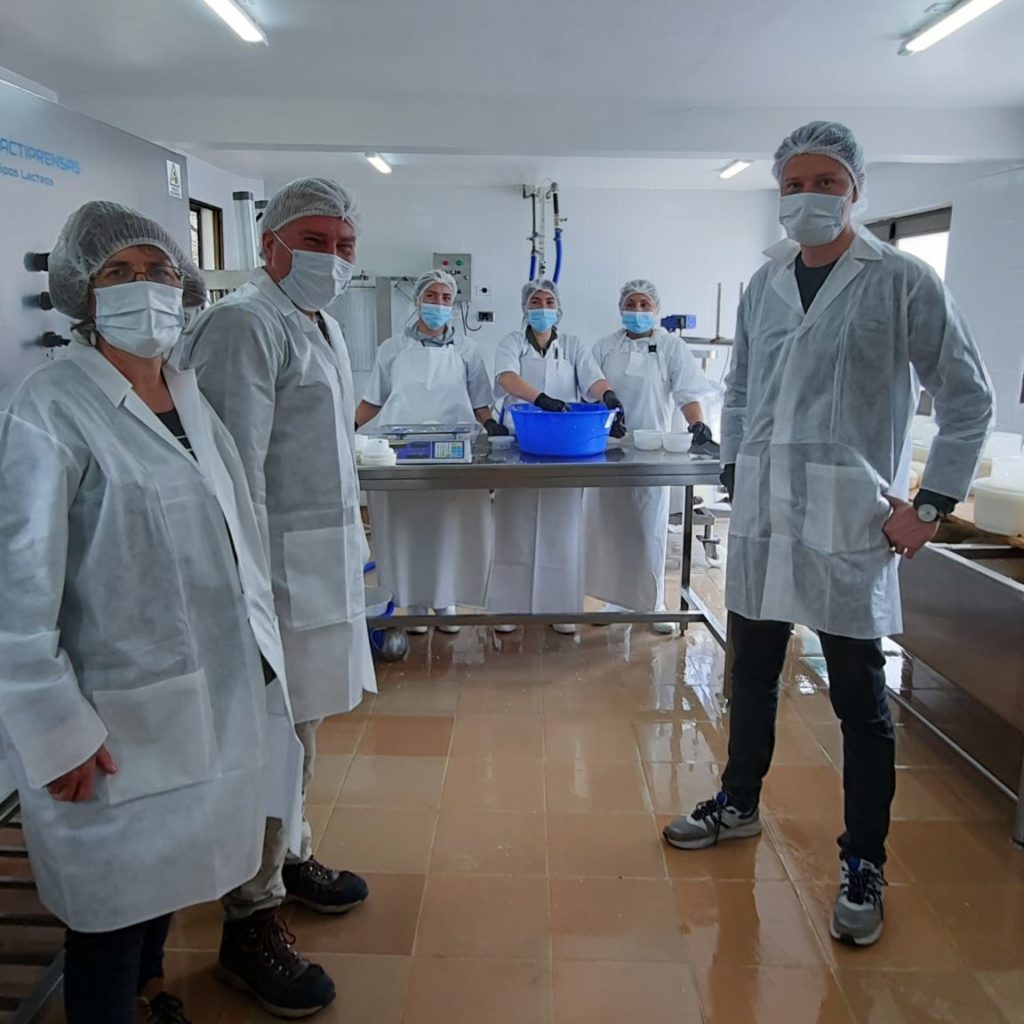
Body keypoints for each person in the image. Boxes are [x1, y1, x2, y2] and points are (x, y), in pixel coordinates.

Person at [663, 122, 994, 947]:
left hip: (850, 522)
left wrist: (933, 504)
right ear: (779, 192)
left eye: (828, 182)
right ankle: (738, 803)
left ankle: (863, 859)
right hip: (768, 519)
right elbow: (741, 388)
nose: (809, 196)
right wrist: (736, 465)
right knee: (753, 675)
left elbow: (967, 396)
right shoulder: (764, 282)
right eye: (796, 182)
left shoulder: (902, 280)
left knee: (859, 703)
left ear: (856, 192)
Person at [0, 202, 288, 1024]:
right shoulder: (50, 408)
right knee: (110, 915)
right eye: (118, 274)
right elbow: (15, 592)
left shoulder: (190, 398)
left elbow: (232, 541)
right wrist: (55, 726)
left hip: (208, 691)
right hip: (109, 718)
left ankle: (148, 1000)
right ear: (81, 295)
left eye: (159, 272)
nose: (145, 290)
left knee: (169, 878)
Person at [179, 177, 376, 1018]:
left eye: (343, 244)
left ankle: (289, 854)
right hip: (266, 579)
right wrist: (243, 593)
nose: (331, 258)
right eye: (315, 240)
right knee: (267, 740)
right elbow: (233, 478)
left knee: (301, 730)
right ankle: (248, 922)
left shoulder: (319, 322)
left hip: (319, 569)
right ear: (270, 246)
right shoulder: (241, 325)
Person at [356, 270, 503, 635]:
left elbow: (481, 403)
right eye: (432, 296)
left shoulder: (467, 350)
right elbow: (373, 401)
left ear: (453, 305)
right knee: (408, 525)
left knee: (447, 524)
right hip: (402, 449)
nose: (438, 304)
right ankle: (414, 600)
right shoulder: (392, 349)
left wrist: (493, 427)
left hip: (453, 448)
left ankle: (445, 598)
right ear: (418, 300)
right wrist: (343, 426)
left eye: (445, 298)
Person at [488, 279, 624, 635]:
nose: (543, 307)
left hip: (565, 447)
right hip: (523, 441)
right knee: (513, 525)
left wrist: (608, 396)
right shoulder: (512, 342)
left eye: (549, 300)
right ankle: (508, 607)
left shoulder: (574, 345)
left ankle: (561, 606)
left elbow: (593, 380)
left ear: (559, 308)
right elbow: (506, 378)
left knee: (563, 528)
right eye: (536, 301)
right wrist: (541, 399)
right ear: (525, 308)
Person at [585, 279, 715, 634]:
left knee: (649, 528)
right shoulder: (603, 348)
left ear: (656, 310)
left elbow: (688, 393)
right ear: (621, 308)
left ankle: (652, 602)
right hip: (608, 450)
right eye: (632, 304)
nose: (638, 311)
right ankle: (612, 598)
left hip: (652, 451)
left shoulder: (671, 347)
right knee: (608, 527)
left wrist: (698, 425)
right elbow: (589, 389)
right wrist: (602, 418)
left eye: (645, 305)